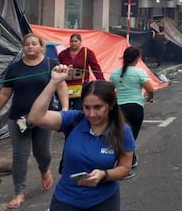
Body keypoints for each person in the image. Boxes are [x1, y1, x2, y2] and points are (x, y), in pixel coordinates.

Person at [27, 73, 134, 211]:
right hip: (66, 201)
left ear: (111, 105)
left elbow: (125, 168)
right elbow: (35, 117)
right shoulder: (73, 120)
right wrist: (54, 82)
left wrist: (104, 175)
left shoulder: (122, 131)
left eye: (98, 107)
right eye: (87, 107)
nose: (91, 114)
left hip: (104, 201)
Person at [0, 33, 69, 209]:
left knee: (43, 153)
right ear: (23, 48)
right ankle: (19, 193)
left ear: (41, 46)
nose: (30, 47)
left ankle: (44, 169)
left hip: (44, 118)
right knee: (19, 157)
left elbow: (61, 86)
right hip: (18, 119)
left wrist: (65, 110)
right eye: (27, 44)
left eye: (34, 44)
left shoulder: (51, 64)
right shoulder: (15, 68)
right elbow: (4, 93)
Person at [109, 46, 154, 172]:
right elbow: (150, 89)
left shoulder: (115, 73)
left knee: (120, 133)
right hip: (136, 108)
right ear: (137, 59)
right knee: (132, 134)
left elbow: (109, 90)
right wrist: (151, 98)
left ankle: (123, 158)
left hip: (119, 108)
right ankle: (129, 159)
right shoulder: (139, 72)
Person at [58, 33, 105, 111]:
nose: (73, 43)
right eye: (71, 41)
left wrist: (102, 82)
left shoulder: (87, 52)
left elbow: (95, 68)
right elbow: (58, 67)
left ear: (80, 42)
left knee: (79, 110)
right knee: (64, 110)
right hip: (65, 87)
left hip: (82, 86)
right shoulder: (63, 54)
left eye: (75, 41)